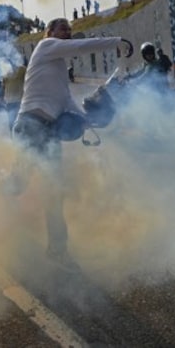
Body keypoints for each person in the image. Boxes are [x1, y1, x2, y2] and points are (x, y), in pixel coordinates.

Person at [12, 18, 123, 260]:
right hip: (30, 125)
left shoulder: (59, 66)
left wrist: (86, 120)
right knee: (17, 184)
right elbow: (81, 47)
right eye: (64, 29)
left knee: (55, 189)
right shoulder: (46, 46)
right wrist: (116, 42)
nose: (68, 33)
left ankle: (57, 250)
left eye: (70, 30)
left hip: (48, 130)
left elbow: (66, 100)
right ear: (49, 32)